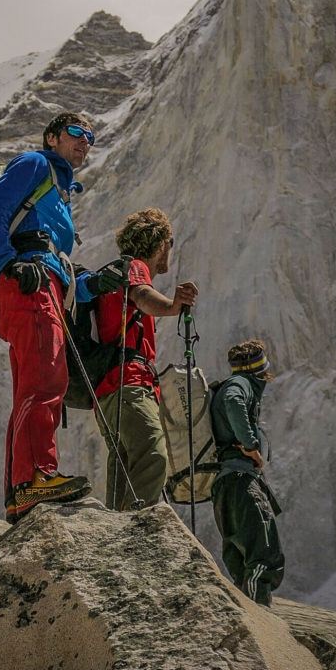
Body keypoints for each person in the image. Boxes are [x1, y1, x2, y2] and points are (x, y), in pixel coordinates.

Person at [0, 112, 124, 524]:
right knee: (45, 380)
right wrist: (9, 262)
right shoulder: (36, 164)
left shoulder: (59, 190)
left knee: (34, 384)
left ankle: (20, 491)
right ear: (52, 137)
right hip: (30, 285)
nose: (85, 141)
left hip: (42, 287)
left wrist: (95, 283)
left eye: (90, 136)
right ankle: (36, 478)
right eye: (76, 132)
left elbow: (58, 263)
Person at [93, 207, 198, 511]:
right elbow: (141, 295)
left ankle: (117, 527)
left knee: (124, 466)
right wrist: (173, 306)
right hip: (130, 384)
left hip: (108, 392)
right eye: (170, 242)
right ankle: (138, 529)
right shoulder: (134, 267)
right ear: (161, 242)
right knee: (153, 456)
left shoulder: (112, 275)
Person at [210, 341, 284, 607]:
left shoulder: (232, 383)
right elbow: (233, 401)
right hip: (240, 482)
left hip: (226, 486)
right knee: (264, 554)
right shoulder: (240, 384)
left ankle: (249, 614)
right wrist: (251, 446)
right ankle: (260, 616)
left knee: (241, 560)